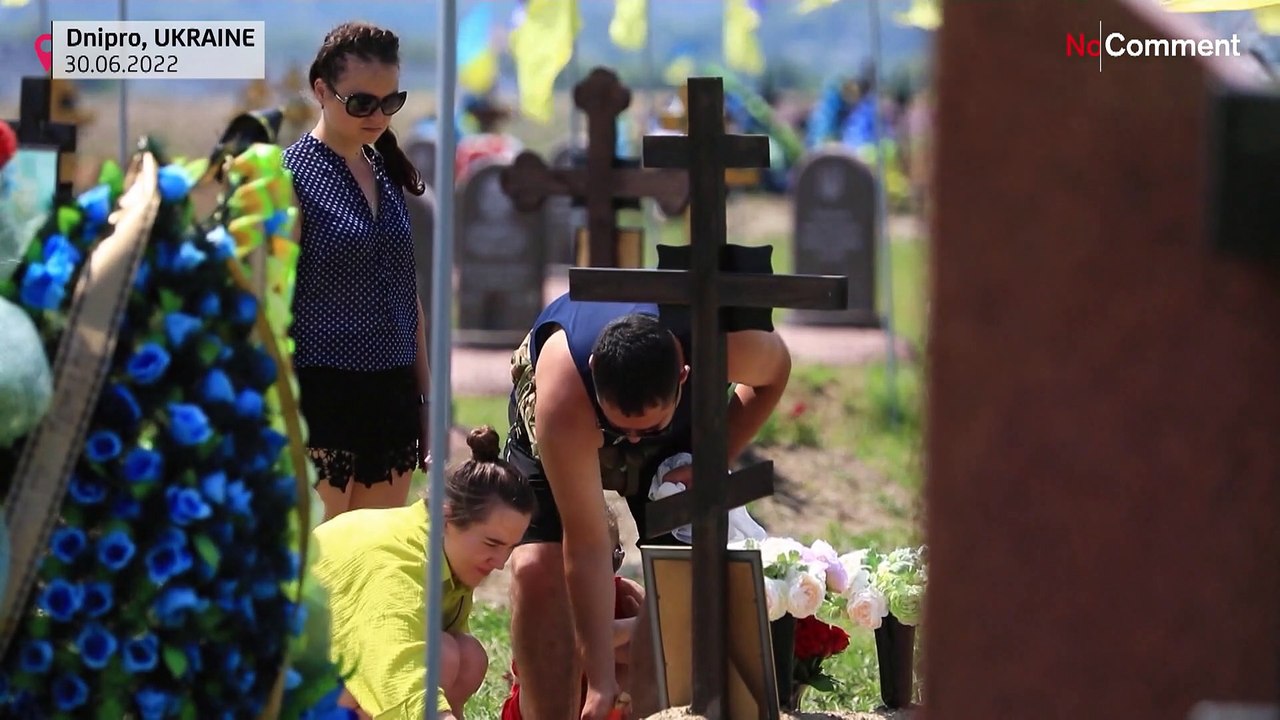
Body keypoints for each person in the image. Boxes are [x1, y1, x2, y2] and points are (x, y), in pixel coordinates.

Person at [502, 293, 792, 720]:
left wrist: (715, 457)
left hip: (677, 439)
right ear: (596, 372)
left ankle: (658, 711)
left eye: (647, 427)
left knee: (676, 585)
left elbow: (776, 371)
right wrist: (600, 683)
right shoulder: (564, 393)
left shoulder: (728, 346)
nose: (632, 440)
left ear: (684, 376)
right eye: (620, 425)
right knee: (536, 571)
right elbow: (586, 546)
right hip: (570, 420)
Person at [284, 21, 431, 521]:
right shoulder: (292, 177)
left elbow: (407, 298)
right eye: (362, 102)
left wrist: (424, 401)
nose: (378, 115)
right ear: (321, 90)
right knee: (321, 567)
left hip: (391, 397)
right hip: (321, 395)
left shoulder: (385, 172)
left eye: (391, 102)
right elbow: (272, 302)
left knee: (371, 567)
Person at [311, 426, 536, 719]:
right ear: (446, 517)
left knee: (465, 655)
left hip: (315, 671)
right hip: (260, 682)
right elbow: (394, 669)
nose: (500, 562)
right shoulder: (394, 560)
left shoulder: (445, 552)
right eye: (492, 543)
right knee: (433, 659)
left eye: (509, 548)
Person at [499, 504, 645, 720]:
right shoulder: (544, 605)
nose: (595, 577)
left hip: (603, 704)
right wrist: (634, 627)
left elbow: (655, 649)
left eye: (612, 560)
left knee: (634, 669)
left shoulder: (624, 593)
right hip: (540, 711)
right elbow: (571, 644)